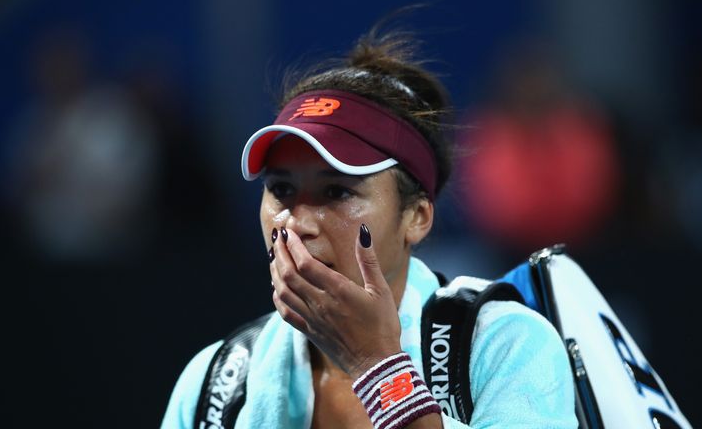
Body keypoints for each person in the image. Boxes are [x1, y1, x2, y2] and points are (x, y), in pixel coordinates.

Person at [161, 25, 577, 429]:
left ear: (417, 217)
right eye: (282, 189)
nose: (298, 223)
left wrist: (374, 365)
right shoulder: (215, 383)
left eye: (337, 192)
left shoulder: (503, 346)